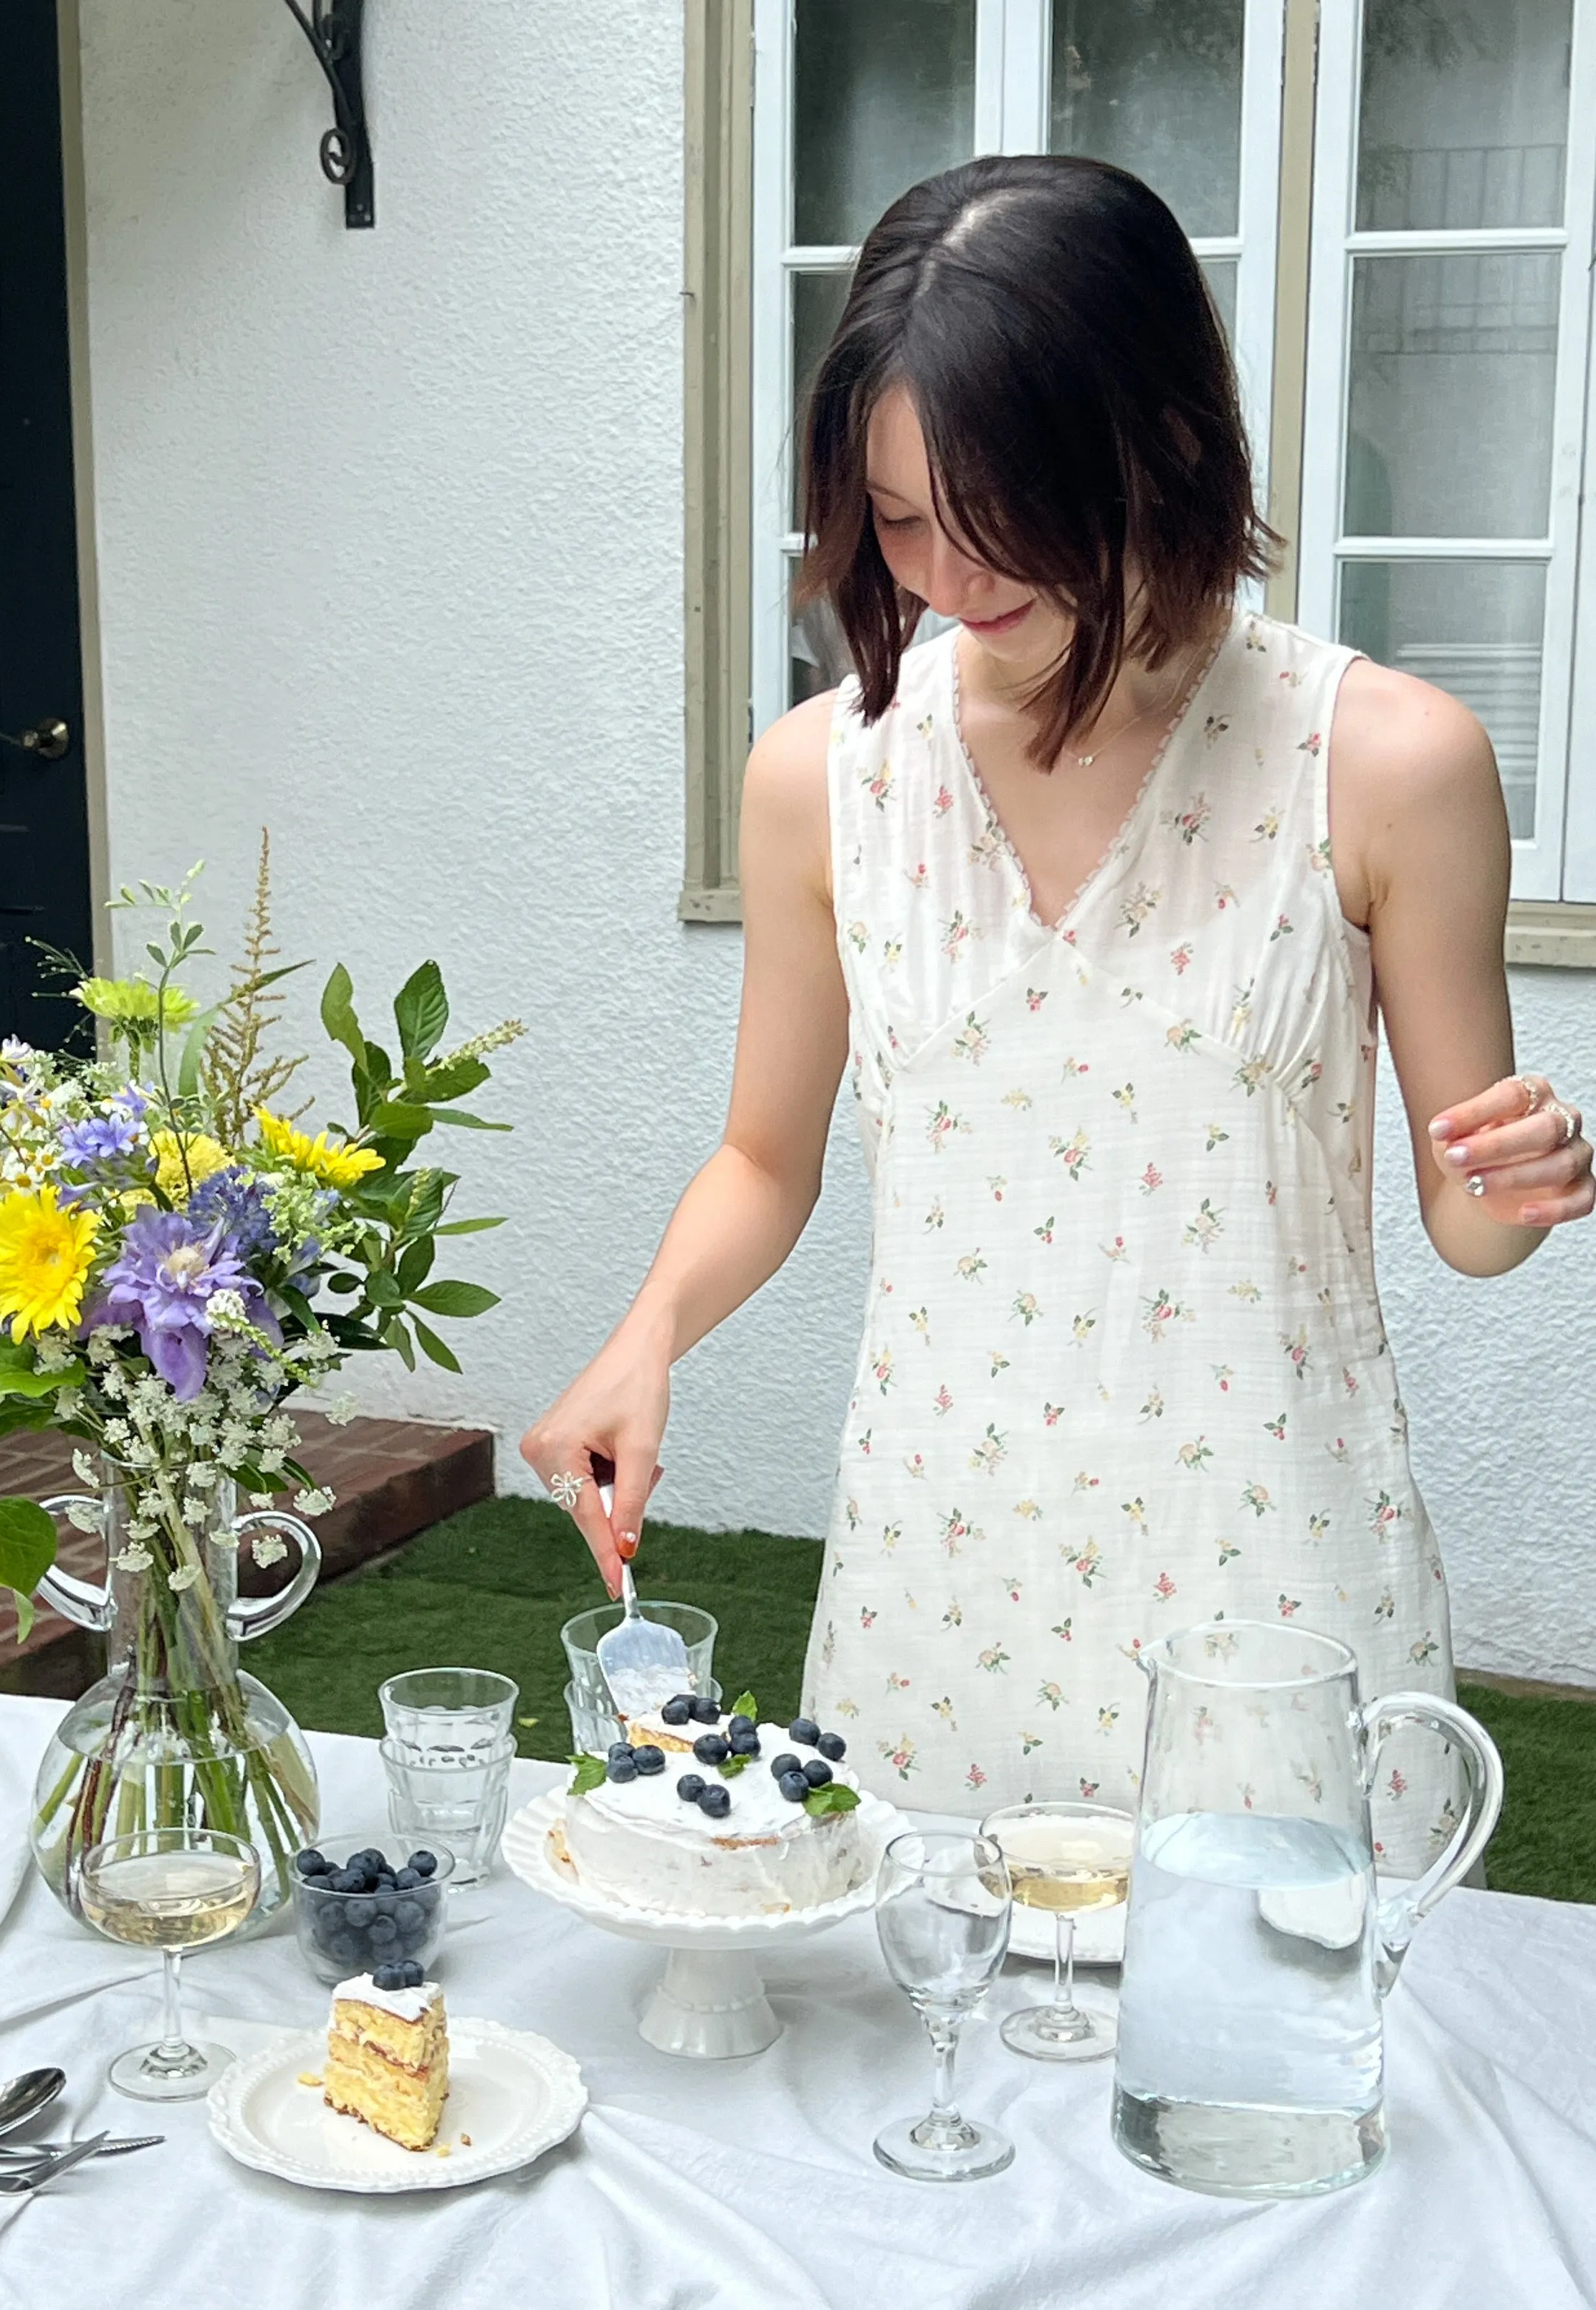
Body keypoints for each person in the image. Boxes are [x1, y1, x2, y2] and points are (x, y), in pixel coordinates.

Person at [524, 155, 1592, 1867]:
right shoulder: (821, 779)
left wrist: (1531, 1166)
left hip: (1266, 1584)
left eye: (991, 506)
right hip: (936, 1572)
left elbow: (1469, 1226)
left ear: (1158, 437)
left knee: (1258, 2078)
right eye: (890, 515)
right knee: (921, 2079)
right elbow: (761, 1154)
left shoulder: (1385, 762)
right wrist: (643, 1339)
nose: (942, 574)